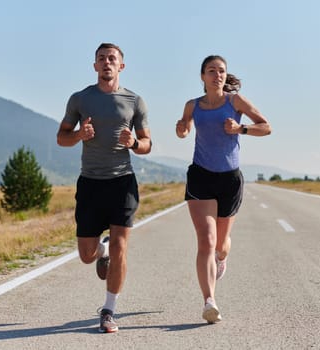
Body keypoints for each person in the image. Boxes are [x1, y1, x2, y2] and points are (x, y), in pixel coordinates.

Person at [57, 43, 152, 333]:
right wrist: (79, 135)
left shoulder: (134, 101)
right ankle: (102, 250)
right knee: (86, 254)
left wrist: (133, 143)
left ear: (121, 66)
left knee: (122, 245)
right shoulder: (80, 99)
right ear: (95, 66)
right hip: (90, 183)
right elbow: (61, 137)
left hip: (122, 181)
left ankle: (109, 311)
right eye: (102, 59)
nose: (107, 62)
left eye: (112, 59)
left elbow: (147, 143)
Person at [175, 55, 271, 324]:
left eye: (221, 71)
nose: (217, 75)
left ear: (225, 76)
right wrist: (181, 128)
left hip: (229, 180)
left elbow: (266, 126)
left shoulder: (235, 101)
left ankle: (221, 259)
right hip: (201, 176)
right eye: (211, 71)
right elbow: (184, 129)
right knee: (205, 240)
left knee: (220, 246)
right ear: (202, 76)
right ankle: (209, 302)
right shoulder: (193, 105)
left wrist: (241, 129)